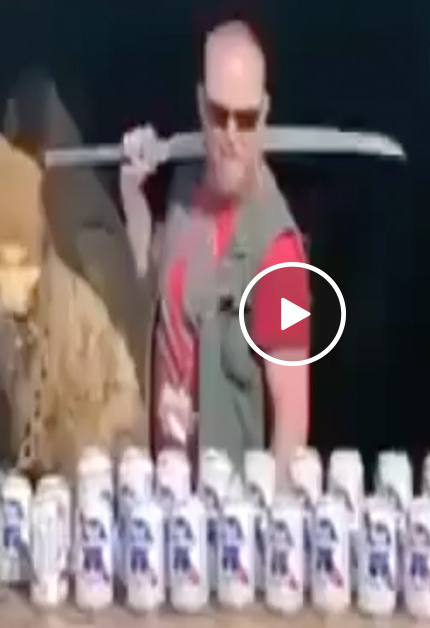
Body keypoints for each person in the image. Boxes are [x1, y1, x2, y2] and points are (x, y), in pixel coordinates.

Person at [118, 20, 310, 479]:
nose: (230, 135)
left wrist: (270, 510)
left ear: (265, 113)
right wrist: (131, 192)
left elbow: (292, 418)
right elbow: (146, 279)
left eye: (246, 119)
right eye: (219, 115)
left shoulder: (279, 255)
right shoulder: (183, 188)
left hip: (225, 501)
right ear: (200, 105)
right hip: (157, 485)